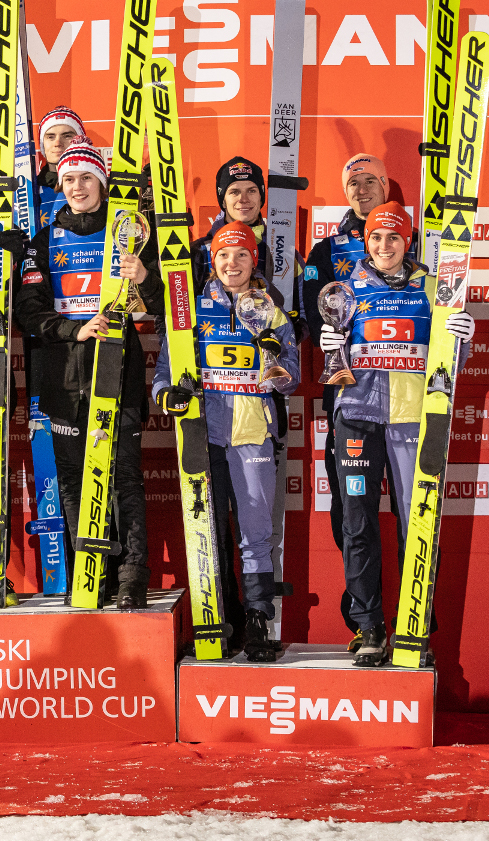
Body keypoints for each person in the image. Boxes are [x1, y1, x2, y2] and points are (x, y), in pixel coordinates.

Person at [317, 201, 472, 667]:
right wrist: (330, 349)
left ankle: (413, 624)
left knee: (417, 522)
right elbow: (330, 366)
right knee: (358, 523)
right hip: (357, 418)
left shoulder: (433, 289)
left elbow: (448, 365)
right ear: (366, 242)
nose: (385, 247)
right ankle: (368, 627)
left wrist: (458, 341)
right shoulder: (345, 290)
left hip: (412, 419)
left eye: (394, 238)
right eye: (377, 238)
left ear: (408, 242)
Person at [11, 139, 161, 608]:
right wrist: (74, 329)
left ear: (102, 184)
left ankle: (132, 574)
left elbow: (166, 306)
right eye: (69, 179)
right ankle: (89, 573)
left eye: (86, 178)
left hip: (118, 365)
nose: (77, 187)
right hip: (62, 373)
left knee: (124, 476)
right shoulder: (44, 239)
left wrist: (143, 279)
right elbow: (28, 312)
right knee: (75, 478)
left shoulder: (131, 235)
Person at [153, 220, 299, 660]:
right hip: (205, 433)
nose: (231, 263)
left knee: (256, 533)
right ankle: (212, 616)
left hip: (253, 433)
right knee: (207, 531)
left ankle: (257, 619)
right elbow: (163, 371)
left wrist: (276, 361)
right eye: (223, 255)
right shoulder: (190, 310)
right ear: (211, 261)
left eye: (241, 254)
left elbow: (290, 384)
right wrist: (169, 394)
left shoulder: (272, 310)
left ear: (254, 260)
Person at [300, 152, 400, 647]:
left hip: (404, 404)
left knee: (410, 515)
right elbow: (308, 312)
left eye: (369, 181)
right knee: (351, 515)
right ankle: (365, 619)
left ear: (386, 184)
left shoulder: (414, 243)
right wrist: (327, 338)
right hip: (349, 401)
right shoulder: (327, 250)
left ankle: (413, 617)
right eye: (352, 183)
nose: (361, 190)